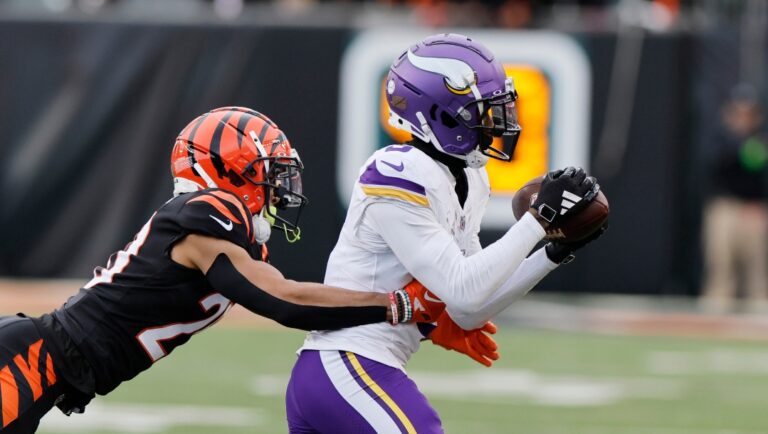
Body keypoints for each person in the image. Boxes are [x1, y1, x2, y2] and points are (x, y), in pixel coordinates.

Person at [0, 107, 460, 433]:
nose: (278, 187)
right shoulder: (207, 211)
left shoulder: (219, 230)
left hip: (47, 369)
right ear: (229, 170)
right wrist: (398, 304)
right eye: (268, 171)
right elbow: (285, 300)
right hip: (29, 361)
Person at [285, 34, 604, 433]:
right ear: (440, 112)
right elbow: (463, 290)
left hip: (354, 371)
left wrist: (553, 251)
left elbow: (469, 309)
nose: (496, 120)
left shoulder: (470, 178)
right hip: (346, 364)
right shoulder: (396, 171)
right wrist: (538, 219)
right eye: (481, 110)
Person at [700, 84, 768, 313]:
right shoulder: (719, 139)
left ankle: (759, 315)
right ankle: (715, 313)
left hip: (753, 208)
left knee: (757, 269)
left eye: (748, 114)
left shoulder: (760, 139)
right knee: (721, 265)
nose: (743, 119)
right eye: (738, 113)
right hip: (725, 208)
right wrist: (742, 146)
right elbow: (716, 164)